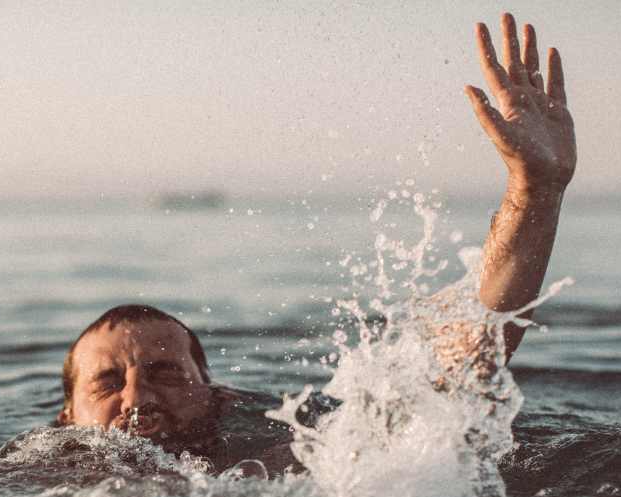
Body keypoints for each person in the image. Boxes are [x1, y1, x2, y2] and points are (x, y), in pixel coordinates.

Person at [54, 14, 575, 451]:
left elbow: (459, 364)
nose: (138, 398)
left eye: (166, 374)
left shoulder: (294, 445)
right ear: (68, 417)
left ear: (216, 395)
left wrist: (534, 192)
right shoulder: (20, 477)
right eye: (105, 383)